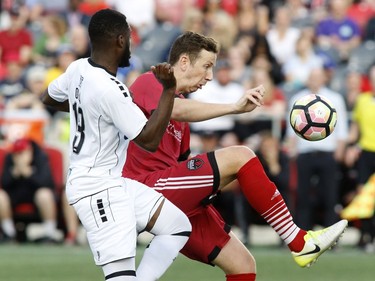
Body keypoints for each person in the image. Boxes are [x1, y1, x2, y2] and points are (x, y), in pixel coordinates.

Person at [123, 31, 348, 280]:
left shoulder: (182, 119)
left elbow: (181, 163)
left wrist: (212, 185)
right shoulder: (150, 81)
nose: (209, 76)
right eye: (206, 66)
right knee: (241, 155)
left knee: (242, 264)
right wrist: (234, 107)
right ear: (184, 62)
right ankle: (298, 241)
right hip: (143, 189)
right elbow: (175, 109)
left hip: (171, 196)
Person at [41, 9, 191, 281]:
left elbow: (47, 97)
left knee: (177, 226)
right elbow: (148, 140)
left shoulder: (78, 68)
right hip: (97, 188)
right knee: (120, 275)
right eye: (130, 39)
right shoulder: (111, 89)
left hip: (110, 180)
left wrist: (88, 109)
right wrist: (169, 90)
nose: (132, 45)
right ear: (120, 41)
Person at [286, 67, 349, 231]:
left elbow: (341, 129)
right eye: (311, 77)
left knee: (330, 195)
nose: (314, 80)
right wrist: (292, 149)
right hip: (305, 153)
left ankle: (331, 234)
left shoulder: (335, 98)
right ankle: (302, 234)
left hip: (328, 154)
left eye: (318, 77)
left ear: (324, 78)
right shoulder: (297, 99)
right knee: (303, 195)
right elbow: (291, 130)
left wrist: (339, 152)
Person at [0, 138, 58, 243]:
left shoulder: (40, 157)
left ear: (29, 151)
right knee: (1, 196)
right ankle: (9, 234)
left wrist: (29, 174)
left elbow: (48, 183)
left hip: (36, 195)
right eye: (17, 153)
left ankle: (49, 234)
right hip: (15, 195)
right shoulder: (9, 158)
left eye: (22, 153)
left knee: (44, 195)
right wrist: (14, 175)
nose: (19, 157)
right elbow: (4, 183)